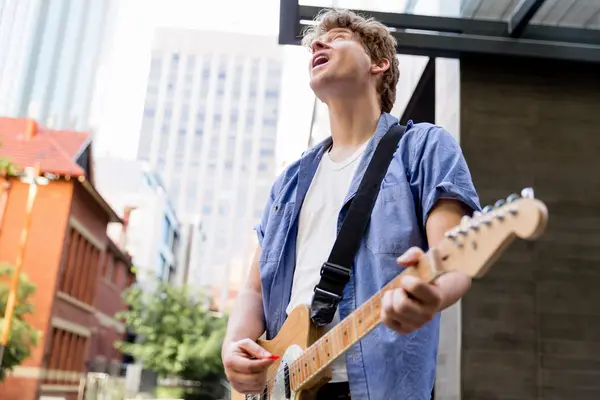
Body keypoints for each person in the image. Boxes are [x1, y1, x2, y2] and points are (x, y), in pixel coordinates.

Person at [222, 8, 480, 400]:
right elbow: (254, 290)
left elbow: (454, 257)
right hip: (282, 386)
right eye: (315, 42)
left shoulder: (423, 147)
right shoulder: (289, 182)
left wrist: (434, 297)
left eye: (339, 36)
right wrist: (234, 345)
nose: (320, 44)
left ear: (379, 64)